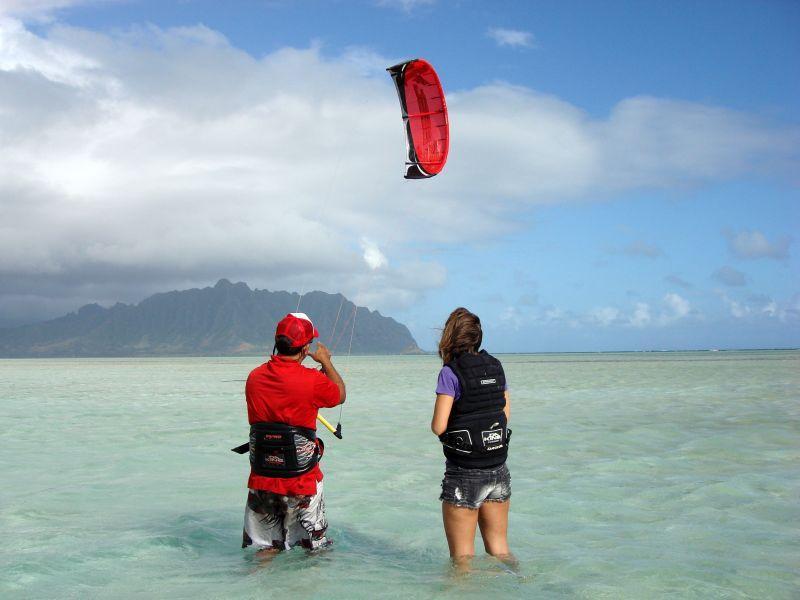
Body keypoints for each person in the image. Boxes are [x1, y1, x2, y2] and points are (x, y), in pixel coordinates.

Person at [241, 312, 345, 554]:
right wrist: (326, 362)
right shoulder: (311, 381)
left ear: (276, 343)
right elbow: (340, 394)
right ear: (305, 348)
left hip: (263, 478)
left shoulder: (254, 378)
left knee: (265, 551)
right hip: (302, 480)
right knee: (314, 552)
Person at [431, 307, 513, 568]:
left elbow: (438, 426)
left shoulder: (450, 372)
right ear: (478, 337)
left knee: (462, 559)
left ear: (450, 337)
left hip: (464, 473)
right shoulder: (496, 366)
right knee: (500, 550)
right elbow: (505, 414)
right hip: (498, 468)